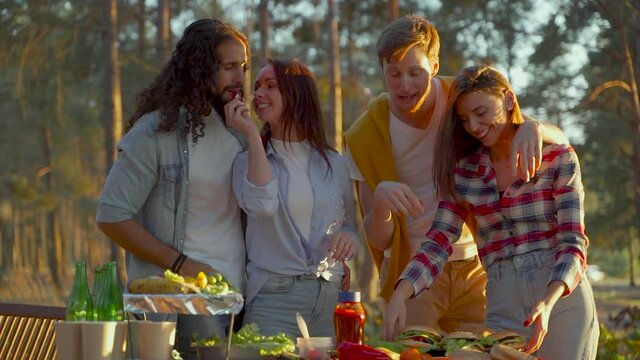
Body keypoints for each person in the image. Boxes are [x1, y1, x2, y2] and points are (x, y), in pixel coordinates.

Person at [344, 15, 569, 333]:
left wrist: (535, 126)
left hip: (477, 268)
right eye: (394, 74)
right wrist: (381, 200)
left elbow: (555, 138)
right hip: (415, 272)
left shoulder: (462, 99)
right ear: (381, 69)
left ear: (434, 66)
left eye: (415, 73)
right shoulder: (363, 136)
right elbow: (379, 240)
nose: (405, 85)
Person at [383, 65, 599, 359]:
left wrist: (548, 302)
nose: (473, 126)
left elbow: (573, 242)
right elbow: (438, 241)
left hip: (561, 299)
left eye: (481, 113)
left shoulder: (558, 158)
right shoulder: (465, 171)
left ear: (508, 100)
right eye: (464, 119)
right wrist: (400, 294)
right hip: (503, 303)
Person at [96, 18, 249, 359]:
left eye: (243, 67)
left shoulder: (239, 133)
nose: (239, 77)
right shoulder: (154, 135)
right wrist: (181, 264)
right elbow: (111, 215)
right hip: (184, 305)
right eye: (228, 67)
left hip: (239, 301)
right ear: (199, 69)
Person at [228, 59, 357, 338]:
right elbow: (262, 206)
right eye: (257, 87)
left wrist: (348, 240)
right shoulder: (245, 161)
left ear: (298, 94)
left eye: (271, 86)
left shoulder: (334, 163)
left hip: (329, 299)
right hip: (273, 301)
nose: (258, 94)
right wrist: (251, 133)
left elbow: (350, 226)